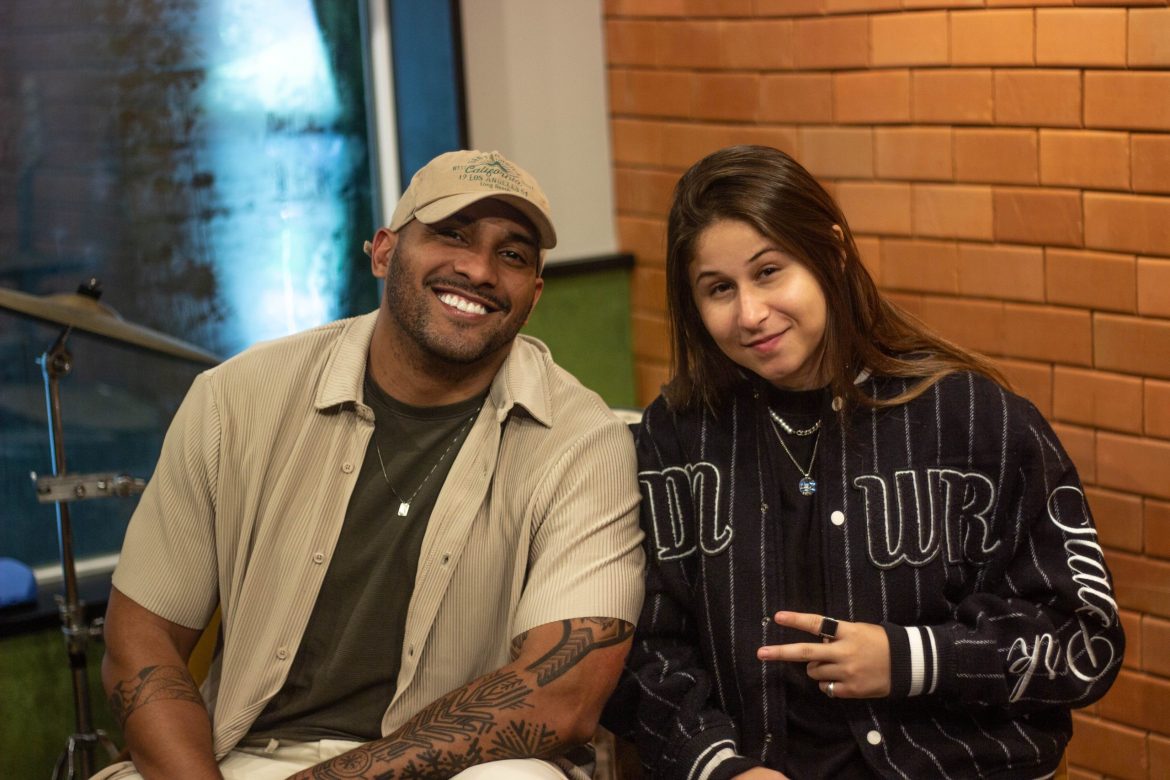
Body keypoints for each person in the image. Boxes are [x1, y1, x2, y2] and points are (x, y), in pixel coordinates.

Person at [96, 149, 645, 780]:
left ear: (534, 295)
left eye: (514, 255)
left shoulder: (584, 443)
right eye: (452, 234)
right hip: (239, 761)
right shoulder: (237, 399)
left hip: (455, 766)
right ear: (383, 252)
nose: (479, 269)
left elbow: (561, 697)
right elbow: (141, 640)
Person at [614, 145, 1124, 779]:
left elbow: (1085, 644)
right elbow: (644, 648)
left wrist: (910, 658)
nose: (749, 314)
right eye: (719, 288)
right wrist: (719, 766)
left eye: (769, 271)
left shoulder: (975, 418)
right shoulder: (676, 438)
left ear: (831, 251)